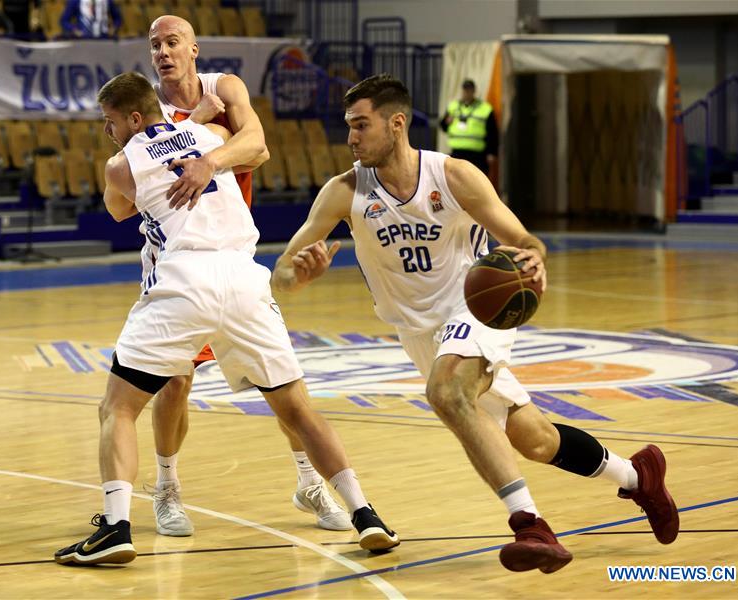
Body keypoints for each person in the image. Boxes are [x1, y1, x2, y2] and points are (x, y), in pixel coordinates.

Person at [272, 74, 679, 574]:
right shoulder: (344, 191)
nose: (351, 138)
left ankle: (530, 524)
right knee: (534, 439)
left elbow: (526, 239)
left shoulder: (454, 177)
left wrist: (533, 259)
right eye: (349, 127)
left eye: (361, 125)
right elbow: (282, 273)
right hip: (417, 331)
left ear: (396, 124)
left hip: (476, 305)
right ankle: (639, 476)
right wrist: (299, 273)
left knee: (446, 393)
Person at [53, 72, 399, 566]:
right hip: (243, 279)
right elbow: (252, 149)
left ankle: (115, 527)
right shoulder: (214, 138)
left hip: (184, 283)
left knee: (119, 409)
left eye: (110, 122)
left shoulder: (118, 164)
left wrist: (150, 150)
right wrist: (194, 130)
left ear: (133, 117)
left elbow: (118, 210)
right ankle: (366, 514)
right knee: (298, 409)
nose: (107, 133)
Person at [142, 15, 352, 538]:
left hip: (234, 262)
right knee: (174, 384)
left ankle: (308, 482)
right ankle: (166, 488)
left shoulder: (225, 87)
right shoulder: (146, 109)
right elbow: (154, 169)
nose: (163, 52)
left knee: (278, 383)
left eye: (172, 42)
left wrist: (206, 152)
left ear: (194, 49)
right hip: (177, 261)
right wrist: (210, 132)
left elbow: (257, 146)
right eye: (155, 45)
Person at [441, 79, 498, 177]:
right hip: (457, 153)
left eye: (469, 90)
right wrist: (446, 122)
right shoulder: (453, 106)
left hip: (477, 154)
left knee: (477, 181)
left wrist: (491, 152)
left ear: (474, 91)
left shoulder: (485, 109)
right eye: (465, 90)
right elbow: (443, 126)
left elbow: (492, 133)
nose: (467, 93)